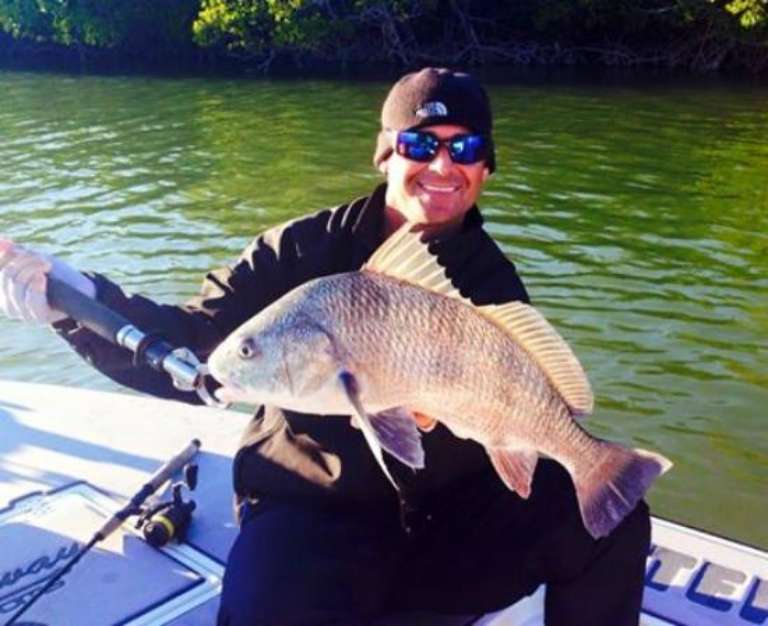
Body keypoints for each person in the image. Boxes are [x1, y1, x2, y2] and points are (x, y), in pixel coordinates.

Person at [0, 67, 651, 626]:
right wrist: (73, 298)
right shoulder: (298, 251)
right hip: (313, 509)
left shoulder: (491, 279)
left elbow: (520, 400)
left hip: (447, 517)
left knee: (615, 519)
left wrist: (469, 424)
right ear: (386, 152)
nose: (442, 166)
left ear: (486, 164)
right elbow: (197, 342)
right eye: (420, 143)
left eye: (465, 146)